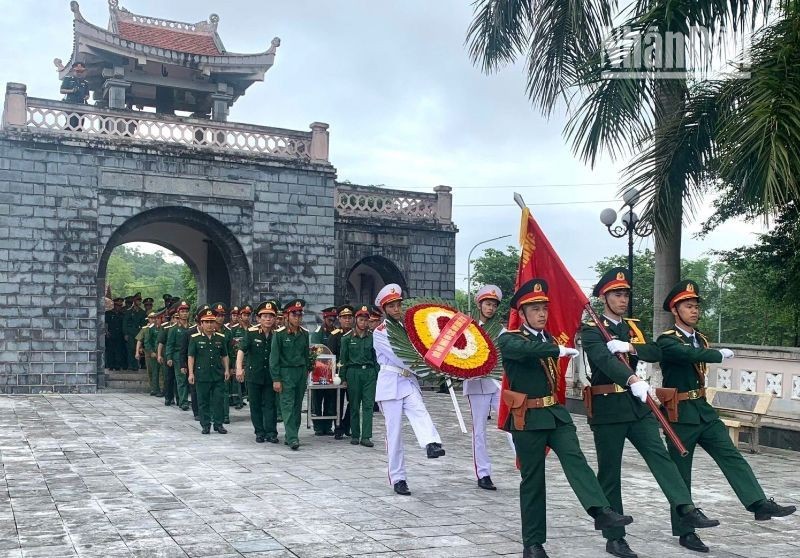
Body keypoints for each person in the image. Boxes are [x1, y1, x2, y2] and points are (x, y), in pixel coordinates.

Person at [581, 268, 719, 558]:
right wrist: (632, 379)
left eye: (626, 294)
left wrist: (632, 346)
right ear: (604, 297)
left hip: (638, 406)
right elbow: (605, 362)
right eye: (617, 294)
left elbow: (656, 352)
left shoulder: (631, 329)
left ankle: (687, 510)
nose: (623, 299)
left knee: (663, 459)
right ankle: (615, 537)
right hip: (608, 407)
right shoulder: (593, 331)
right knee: (610, 473)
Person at [498, 278, 635, 558]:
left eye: (544, 308)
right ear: (522, 314)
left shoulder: (548, 338)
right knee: (533, 481)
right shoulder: (510, 339)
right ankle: (533, 544)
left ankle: (600, 511)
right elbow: (525, 351)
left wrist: (554, 346)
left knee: (576, 460)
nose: (541, 314)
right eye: (534, 309)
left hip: (555, 415)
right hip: (529, 418)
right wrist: (555, 349)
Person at [658, 280, 796, 553]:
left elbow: (696, 351)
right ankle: (686, 531)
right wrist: (716, 355)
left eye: (696, 306)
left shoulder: (700, 338)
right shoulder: (667, 340)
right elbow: (687, 355)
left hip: (703, 412)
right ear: (676, 311)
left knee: (731, 455)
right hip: (680, 415)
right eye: (688, 306)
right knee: (680, 474)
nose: (694, 311)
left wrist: (709, 351)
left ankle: (757, 503)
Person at [372, 283, 445, 496]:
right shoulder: (380, 332)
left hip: (408, 381)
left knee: (420, 410)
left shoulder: (407, 328)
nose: (396, 309)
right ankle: (398, 477)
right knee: (394, 434)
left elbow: (420, 347)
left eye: (398, 304)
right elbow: (400, 357)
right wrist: (429, 368)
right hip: (390, 382)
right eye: (391, 306)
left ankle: (431, 443)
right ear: (384, 309)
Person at [464, 285, 504, 491]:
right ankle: (483, 473)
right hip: (476, 384)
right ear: (480, 304)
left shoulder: (501, 330)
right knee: (479, 430)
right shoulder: (468, 327)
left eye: (494, 305)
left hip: (497, 383)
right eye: (487, 304)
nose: (490, 308)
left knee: (510, 424)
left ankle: (524, 464)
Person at [237, 300, 280, 444]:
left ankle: (271, 432)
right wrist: (239, 368)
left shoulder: (277, 334)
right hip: (254, 375)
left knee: (270, 405)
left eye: (271, 316)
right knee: (255, 405)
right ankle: (259, 432)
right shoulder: (251, 333)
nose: (268, 319)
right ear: (258, 318)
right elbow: (241, 350)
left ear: (275, 318)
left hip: (270, 376)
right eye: (264, 316)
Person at [270, 299, 310, 450]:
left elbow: (306, 356)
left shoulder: (304, 334)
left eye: (300, 315)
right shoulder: (279, 335)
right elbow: (274, 359)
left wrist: (306, 373)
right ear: (287, 316)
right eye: (294, 315)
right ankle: (293, 438)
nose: (298, 318)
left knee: (297, 406)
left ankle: (290, 435)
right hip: (285, 373)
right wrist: (276, 379)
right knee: (287, 405)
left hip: (300, 372)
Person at [340, 305, 379, 447]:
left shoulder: (373, 338)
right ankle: (355, 435)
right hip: (353, 373)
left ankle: (366, 436)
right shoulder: (347, 338)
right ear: (356, 320)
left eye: (366, 320)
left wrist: (377, 374)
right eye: (361, 320)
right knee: (354, 405)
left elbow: (376, 359)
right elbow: (343, 360)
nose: (363, 323)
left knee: (368, 405)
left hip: (369, 373)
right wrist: (343, 378)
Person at [188, 308, 230, 435]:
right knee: (203, 401)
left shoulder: (220, 338)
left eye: (212, 322)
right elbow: (191, 357)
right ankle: (205, 425)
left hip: (217, 374)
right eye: (206, 322)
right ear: (201, 324)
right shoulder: (195, 339)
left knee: (219, 400)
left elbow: (224, 355)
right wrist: (191, 373)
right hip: (202, 375)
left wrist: (227, 369)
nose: (209, 324)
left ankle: (219, 424)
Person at [309, 306, 338, 436]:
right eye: (329, 319)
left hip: (332, 372)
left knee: (330, 399)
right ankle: (318, 426)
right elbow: (315, 351)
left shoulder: (336, 332)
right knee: (317, 399)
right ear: (324, 318)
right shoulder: (318, 332)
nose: (332, 322)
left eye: (333, 320)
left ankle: (328, 426)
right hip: (318, 372)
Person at [326, 305, 354, 439]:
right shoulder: (335, 336)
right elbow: (331, 356)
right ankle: (337, 427)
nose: (347, 320)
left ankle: (346, 424)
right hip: (338, 373)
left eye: (349, 318)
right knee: (337, 401)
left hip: (353, 373)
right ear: (339, 319)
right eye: (344, 318)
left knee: (353, 401)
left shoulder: (356, 333)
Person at [212, 303, 235, 424]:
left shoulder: (228, 332)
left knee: (225, 391)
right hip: (212, 365)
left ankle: (225, 415)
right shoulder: (209, 329)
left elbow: (230, 351)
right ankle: (213, 414)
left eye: (222, 315)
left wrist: (231, 367)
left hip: (224, 365)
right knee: (212, 390)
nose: (220, 317)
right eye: (217, 315)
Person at [166, 301, 191, 411]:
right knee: (181, 380)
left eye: (186, 311)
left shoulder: (192, 328)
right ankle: (183, 401)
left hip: (190, 356)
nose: (185, 314)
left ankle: (188, 400)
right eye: (182, 312)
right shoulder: (174, 329)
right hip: (177, 356)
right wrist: (169, 357)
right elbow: (170, 344)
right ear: (178, 314)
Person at [123, 293, 147, 371]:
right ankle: (130, 365)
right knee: (130, 349)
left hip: (138, 332)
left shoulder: (142, 312)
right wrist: (125, 333)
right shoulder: (129, 311)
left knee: (137, 348)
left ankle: (136, 365)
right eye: (138, 300)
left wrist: (143, 334)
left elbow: (144, 324)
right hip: (130, 332)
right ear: (134, 301)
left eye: (140, 300)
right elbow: (125, 323)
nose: (139, 301)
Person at [104, 297, 126, 370]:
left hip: (120, 335)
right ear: (114, 305)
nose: (119, 307)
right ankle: (110, 365)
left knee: (119, 350)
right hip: (110, 335)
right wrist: (106, 332)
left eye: (120, 306)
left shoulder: (122, 314)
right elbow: (106, 323)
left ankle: (118, 365)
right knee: (110, 351)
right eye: (117, 305)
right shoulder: (108, 313)